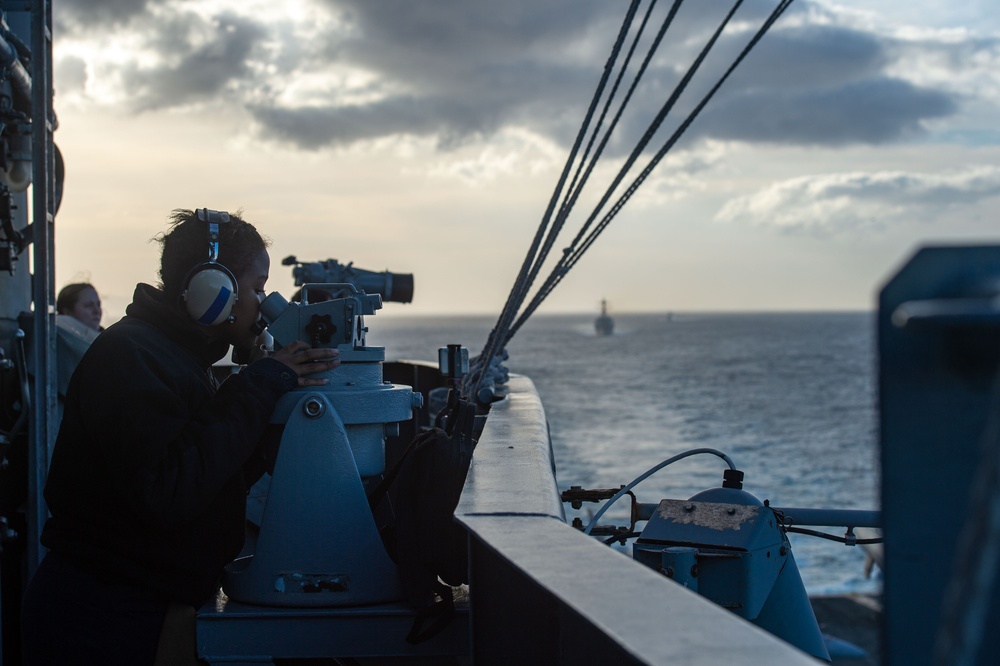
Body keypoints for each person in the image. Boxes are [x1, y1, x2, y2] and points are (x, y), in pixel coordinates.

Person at [20, 208, 339, 665]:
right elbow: (169, 488)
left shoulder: (174, 356)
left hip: (140, 608)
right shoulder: (130, 357)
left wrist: (273, 413)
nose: (264, 305)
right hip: (101, 620)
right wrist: (256, 386)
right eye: (258, 288)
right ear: (216, 287)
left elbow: (211, 473)